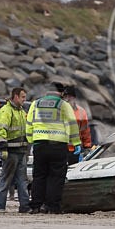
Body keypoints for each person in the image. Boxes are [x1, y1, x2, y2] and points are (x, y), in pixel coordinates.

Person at [26, 85, 80, 214]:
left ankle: (36, 206)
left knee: (39, 176)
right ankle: (52, 206)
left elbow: (29, 123)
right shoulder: (63, 105)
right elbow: (72, 124)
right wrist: (76, 142)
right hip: (58, 145)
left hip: (39, 144)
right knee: (56, 177)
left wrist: (31, 139)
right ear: (60, 93)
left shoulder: (35, 104)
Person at [0, 87, 30, 212]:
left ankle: (25, 206)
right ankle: (0, 206)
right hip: (11, 151)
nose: (24, 100)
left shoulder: (21, 111)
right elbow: (1, 130)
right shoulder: (6, 111)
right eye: (22, 97)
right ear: (15, 96)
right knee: (6, 180)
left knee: (22, 180)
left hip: (21, 151)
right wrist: (3, 148)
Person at [62, 85, 92, 165]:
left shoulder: (81, 112)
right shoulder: (59, 110)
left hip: (74, 149)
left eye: (69, 96)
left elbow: (85, 131)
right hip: (60, 148)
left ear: (74, 98)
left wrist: (87, 146)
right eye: (65, 96)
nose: (67, 99)